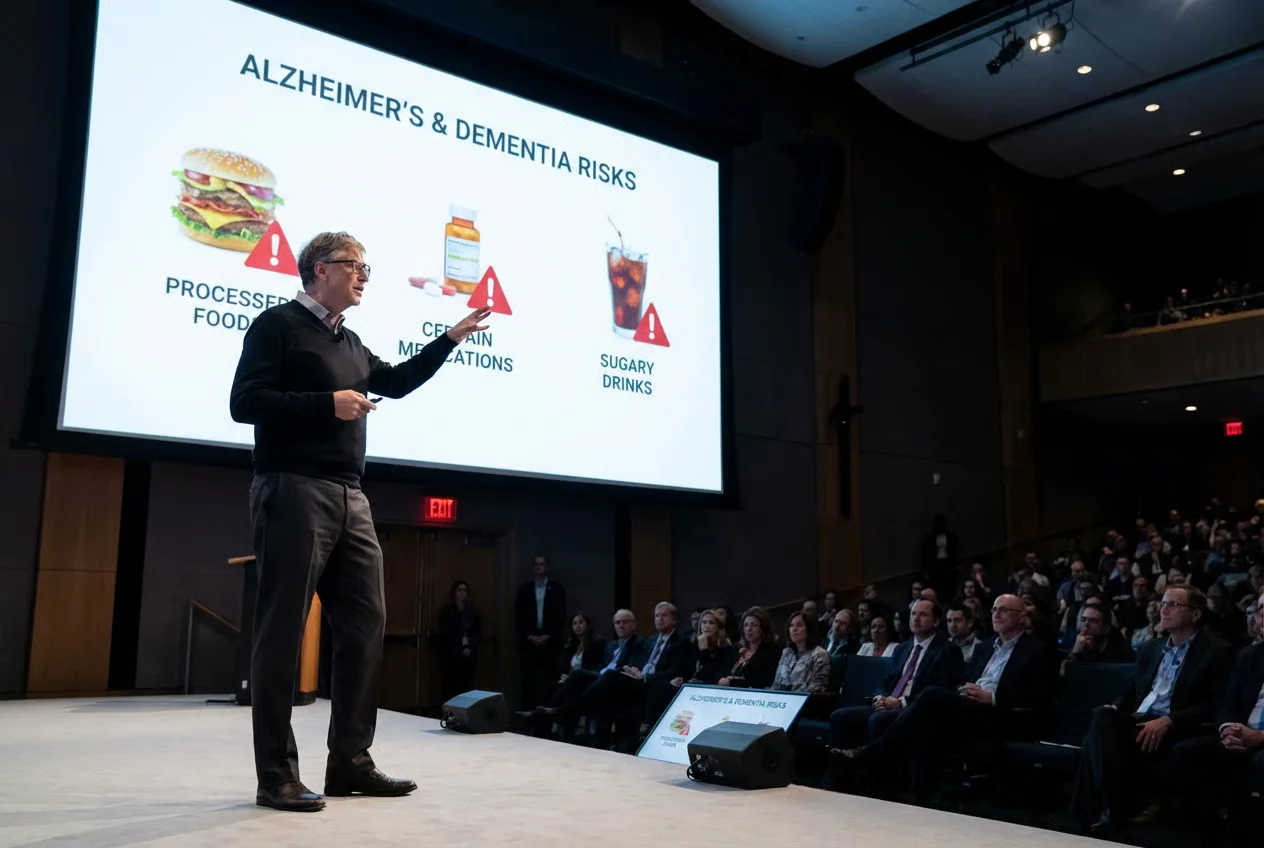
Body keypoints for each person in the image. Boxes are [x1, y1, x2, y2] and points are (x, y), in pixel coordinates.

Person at [229, 231, 491, 813]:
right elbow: (244, 403)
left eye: (366, 266)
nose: (364, 275)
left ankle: (350, 762)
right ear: (320, 269)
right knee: (281, 633)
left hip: (351, 495)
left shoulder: (349, 341)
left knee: (365, 628)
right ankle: (276, 775)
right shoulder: (277, 326)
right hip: (291, 486)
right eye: (355, 265)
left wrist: (448, 340)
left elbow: (394, 382)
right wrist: (328, 404)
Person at [513, 555, 568, 709]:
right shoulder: (525, 590)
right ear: (532, 568)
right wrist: (529, 636)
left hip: (551, 641)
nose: (539, 567)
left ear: (547, 567)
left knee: (550, 679)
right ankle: (527, 713)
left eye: (542, 564)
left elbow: (561, 615)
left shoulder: (557, 589)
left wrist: (549, 635)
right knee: (528, 679)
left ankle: (547, 712)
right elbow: (518, 615)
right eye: (536, 564)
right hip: (529, 642)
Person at [436, 580, 482, 703]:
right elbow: (446, 635)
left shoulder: (474, 613)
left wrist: (469, 648)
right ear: (454, 593)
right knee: (451, 688)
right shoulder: (446, 612)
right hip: (451, 657)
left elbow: (477, 634)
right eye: (459, 590)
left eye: (465, 590)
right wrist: (460, 649)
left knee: (466, 687)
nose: (462, 593)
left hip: (468, 658)